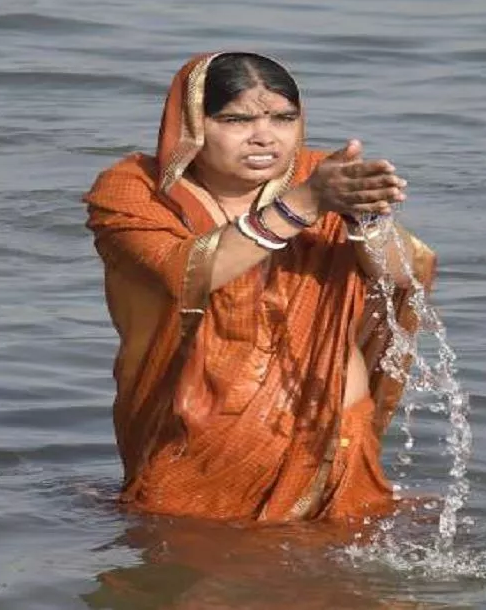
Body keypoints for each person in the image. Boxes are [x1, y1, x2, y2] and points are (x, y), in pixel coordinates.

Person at [83, 52, 436, 523]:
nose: (265, 137)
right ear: (191, 127)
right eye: (236, 120)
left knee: (350, 563)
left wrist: (364, 219)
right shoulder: (134, 191)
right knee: (187, 556)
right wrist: (303, 205)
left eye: (283, 118)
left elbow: (403, 277)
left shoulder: (325, 176)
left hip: (333, 435)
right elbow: (184, 273)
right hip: (199, 444)